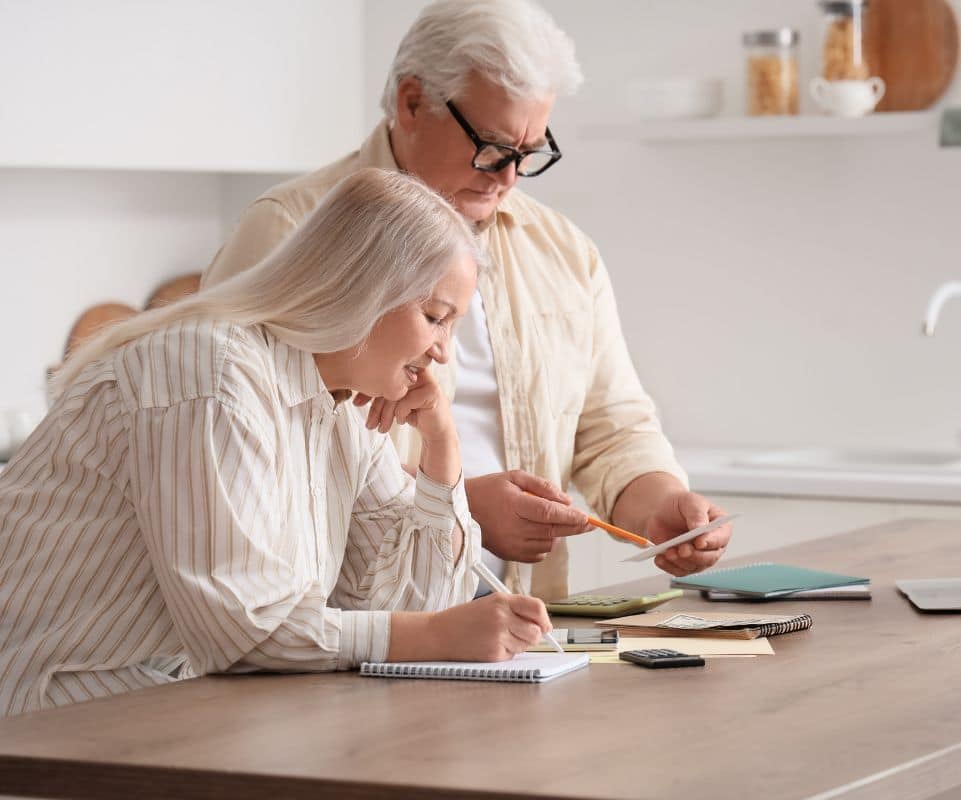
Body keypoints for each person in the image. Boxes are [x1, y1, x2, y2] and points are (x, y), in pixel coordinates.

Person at [204, 0, 734, 600]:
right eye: (492, 146)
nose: (507, 177)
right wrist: (452, 500)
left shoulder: (563, 252)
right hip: (347, 624)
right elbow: (236, 445)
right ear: (411, 103)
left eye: (527, 154)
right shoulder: (289, 231)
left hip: (519, 621)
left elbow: (612, 428)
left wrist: (660, 504)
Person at [0, 169, 553, 716]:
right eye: (435, 318)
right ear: (365, 290)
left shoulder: (342, 403)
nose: (442, 353)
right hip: (57, 711)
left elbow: (407, 602)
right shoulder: (211, 374)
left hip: (187, 703)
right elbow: (245, 631)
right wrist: (433, 635)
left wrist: (442, 445)